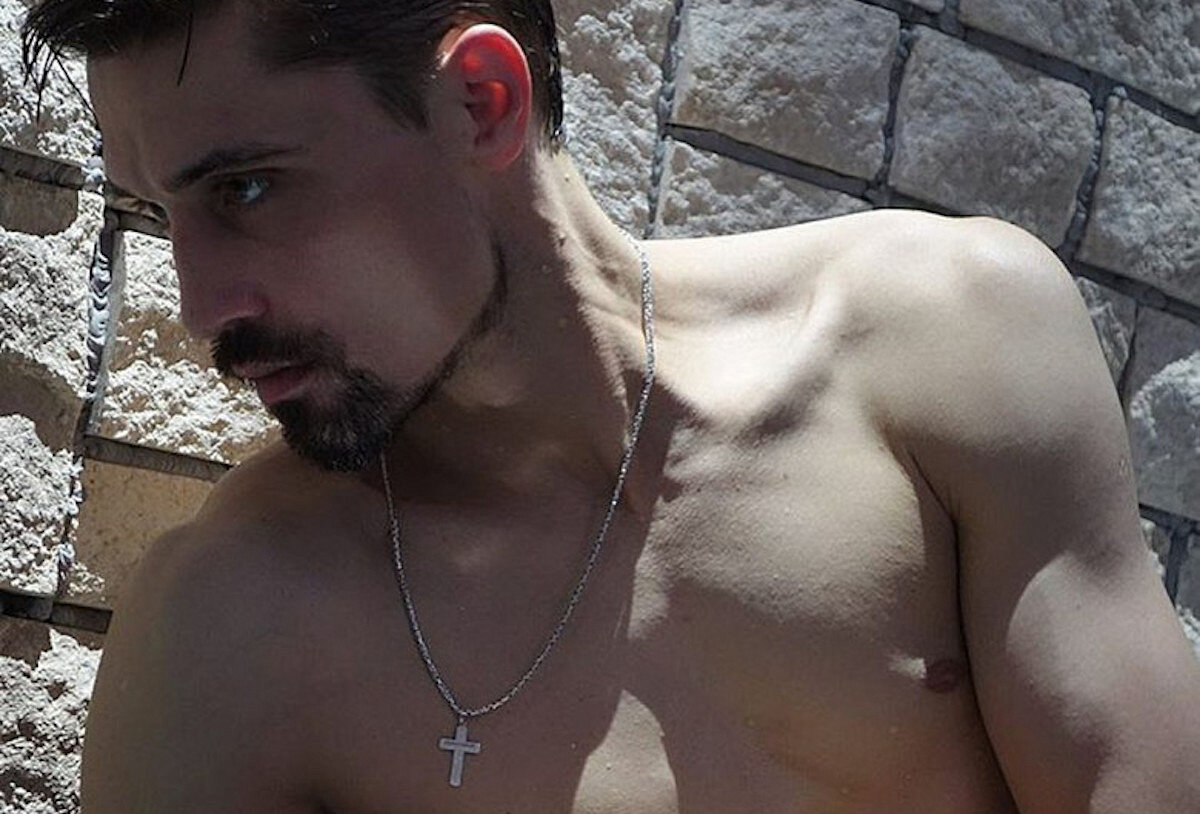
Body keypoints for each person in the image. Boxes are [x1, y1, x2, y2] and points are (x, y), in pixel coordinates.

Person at [22, 0, 1200, 811]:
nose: (202, 307)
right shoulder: (233, 628)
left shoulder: (945, 341)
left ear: (480, 100)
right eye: (159, 211)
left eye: (246, 188)